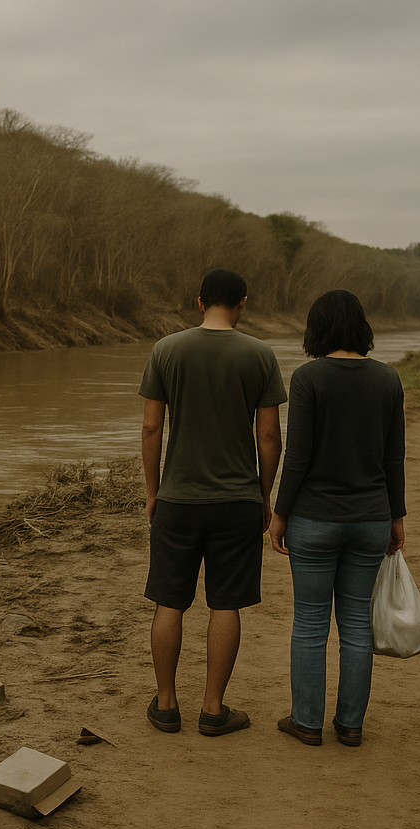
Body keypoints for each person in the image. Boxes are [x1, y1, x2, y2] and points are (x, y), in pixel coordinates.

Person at [140, 268, 286, 737]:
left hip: (178, 499)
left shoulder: (167, 349)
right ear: (243, 302)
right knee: (226, 603)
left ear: (199, 302)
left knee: (169, 600)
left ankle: (165, 706)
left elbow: (150, 428)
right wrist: (263, 495)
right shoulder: (260, 354)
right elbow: (268, 434)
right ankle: (213, 710)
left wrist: (152, 491)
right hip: (236, 499)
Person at [270, 289, 405, 748]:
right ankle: (350, 725)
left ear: (317, 328)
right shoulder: (388, 379)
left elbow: (298, 456)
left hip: (314, 518)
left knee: (309, 623)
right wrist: (397, 518)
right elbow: (394, 458)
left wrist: (279, 513)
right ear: (361, 327)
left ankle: (306, 722)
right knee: (355, 624)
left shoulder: (309, 378)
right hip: (370, 519)